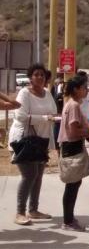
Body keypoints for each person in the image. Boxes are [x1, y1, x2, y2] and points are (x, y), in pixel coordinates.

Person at [9, 64, 57, 226]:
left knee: (38, 177)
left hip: (41, 141)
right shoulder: (24, 93)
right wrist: (44, 118)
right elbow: (21, 116)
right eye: (36, 75)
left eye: (42, 75)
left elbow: (53, 112)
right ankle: (20, 212)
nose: (40, 77)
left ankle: (33, 210)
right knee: (29, 176)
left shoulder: (48, 93)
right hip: (24, 140)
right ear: (30, 78)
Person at [58, 74, 89, 231]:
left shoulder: (71, 103)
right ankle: (68, 221)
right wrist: (88, 132)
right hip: (72, 147)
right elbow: (72, 131)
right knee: (72, 185)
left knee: (74, 184)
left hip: (71, 147)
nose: (87, 90)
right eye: (84, 88)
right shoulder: (74, 106)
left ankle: (69, 218)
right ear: (77, 89)